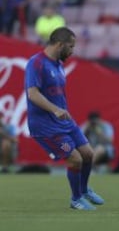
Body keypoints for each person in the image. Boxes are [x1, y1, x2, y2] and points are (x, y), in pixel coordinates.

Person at [25, 27, 104, 210]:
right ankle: (76, 200)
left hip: (64, 122)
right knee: (75, 159)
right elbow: (32, 94)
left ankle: (84, 191)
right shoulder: (36, 63)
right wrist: (55, 110)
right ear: (60, 45)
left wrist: (61, 113)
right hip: (45, 126)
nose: (73, 50)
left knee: (88, 154)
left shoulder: (59, 65)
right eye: (71, 46)